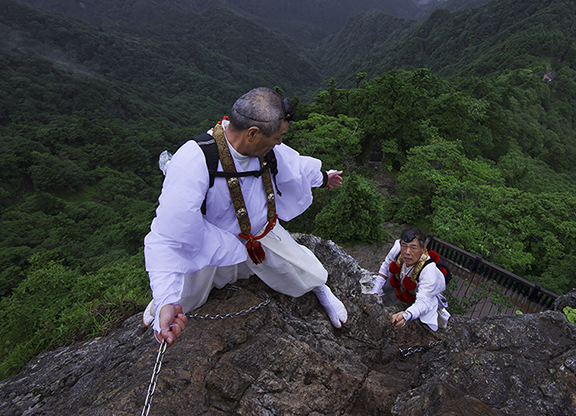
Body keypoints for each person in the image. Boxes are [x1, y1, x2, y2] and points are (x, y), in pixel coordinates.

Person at [143, 87, 347, 345]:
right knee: (178, 302)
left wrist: (322, 178)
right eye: (278, 137)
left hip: (261, 237)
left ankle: (320, 288)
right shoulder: (194, 160)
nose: (280, 143)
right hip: (212, 242)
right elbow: (167, 237)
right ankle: (161, 302)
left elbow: (296, 168)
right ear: (252, 133)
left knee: (308, 273)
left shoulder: (267, 148)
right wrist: (165, 299)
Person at [370, 228, 450, 331]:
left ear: (423, 249)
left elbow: (424, 301)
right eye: (404, 246)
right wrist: (374, 293)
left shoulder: (429, 271)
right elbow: (385, 267)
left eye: (413, 248)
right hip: (401, 288)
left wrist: (406, 315)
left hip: (426, 296)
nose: (407, 252)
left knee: (425, 310)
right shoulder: (397, 249)